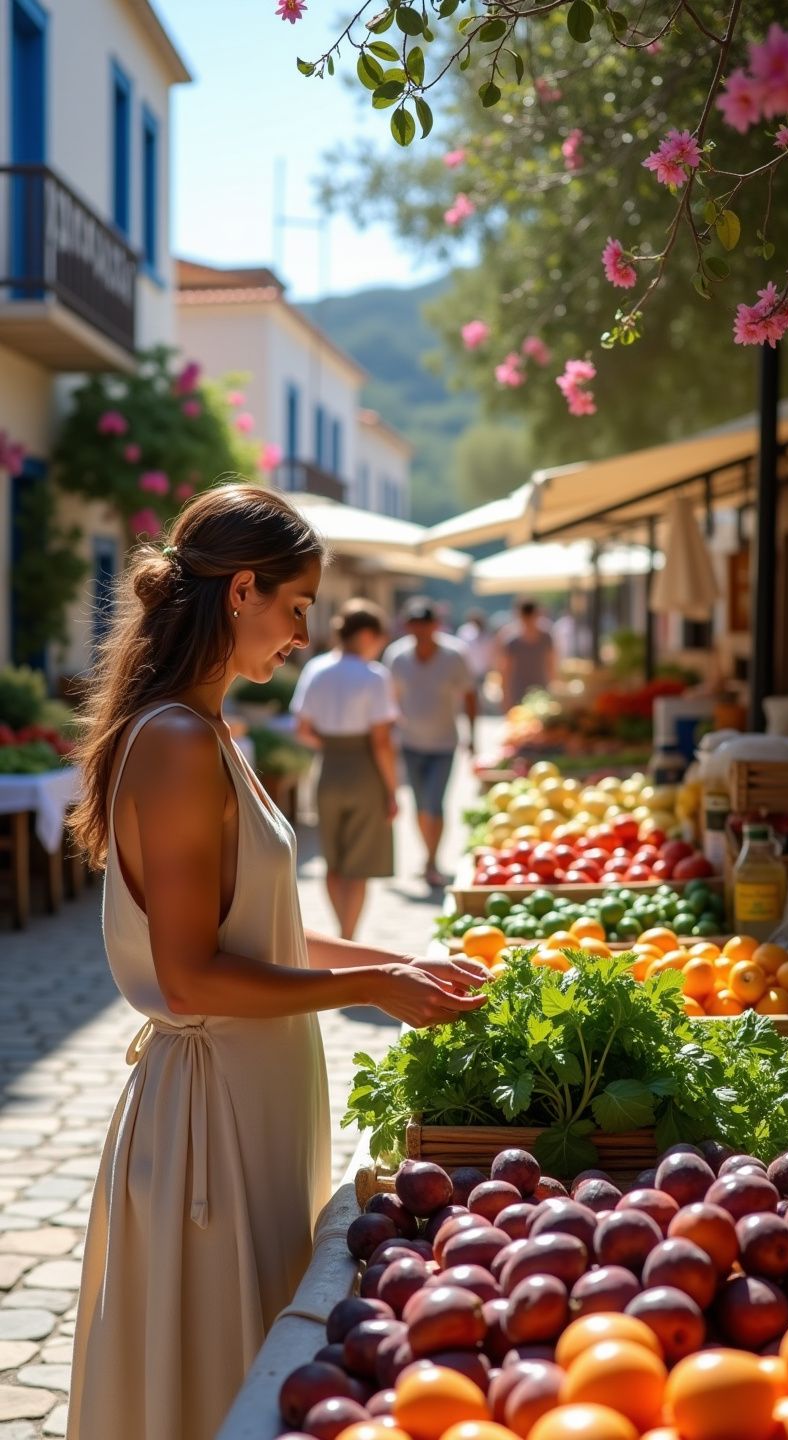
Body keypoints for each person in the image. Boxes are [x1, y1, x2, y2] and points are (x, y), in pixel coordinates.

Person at [65, 484, 488, 1440]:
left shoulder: (207, 730)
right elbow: (189, 977)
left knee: (255, 1360)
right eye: (296, 607)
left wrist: (407, 959)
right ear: (241, 590)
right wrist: (371, 986)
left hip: (251, 1099)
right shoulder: (178, 741)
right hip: (210, 1121)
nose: (303, 634)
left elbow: (267, 933)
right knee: (223, 1380)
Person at [291, 598, 399, 941]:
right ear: (367, 635)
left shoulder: (316, 669)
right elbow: (381, 741)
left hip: (328, 769)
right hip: (364, 770)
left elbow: (302, 730)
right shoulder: (374, 675)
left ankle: (341, 935)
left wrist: (329, 744)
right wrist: (392, 790)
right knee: (359, 864)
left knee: (333, 860)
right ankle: (349, 935)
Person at [384, 596, 478, 889]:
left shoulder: (454, 655)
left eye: (426, 624)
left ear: (436, 625)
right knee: (420, 804)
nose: (421, 630)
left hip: (443, 744)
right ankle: (427, 854)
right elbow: (389, 699)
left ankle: (432, 860)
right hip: (410, 744)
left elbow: (469, 694)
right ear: (407, 626)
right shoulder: (397, 656)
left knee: (435, 803)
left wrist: (472, 735)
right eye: (415, 624)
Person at [499, 596, 556, 711]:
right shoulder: (512, 643)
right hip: (518, 693)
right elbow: (506, 671)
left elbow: (551, 665)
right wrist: (506, 697)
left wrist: (554, 688)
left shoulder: (546, 639)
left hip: (541, 692)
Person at [456, 608, 497, 693]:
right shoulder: (465, 632)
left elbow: (492, 652)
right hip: (468, 671)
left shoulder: (488, 634)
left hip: (484, 671)